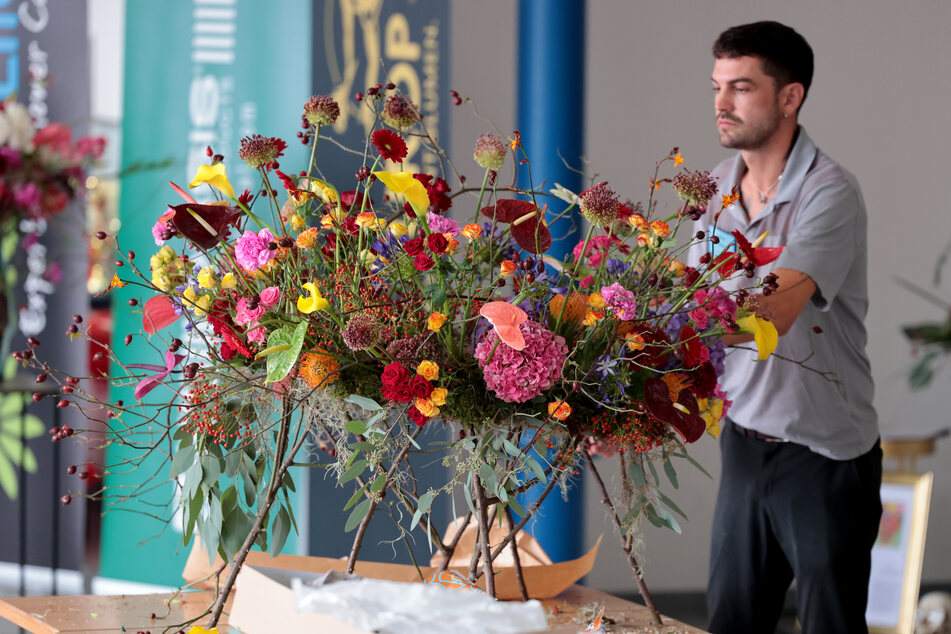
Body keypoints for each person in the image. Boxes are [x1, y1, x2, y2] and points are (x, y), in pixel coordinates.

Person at [693, 21, 883, 633]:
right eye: (718, 86)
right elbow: (682, 299)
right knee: (731, 622)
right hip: (744, 443)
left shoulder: (831, 193)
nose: (721, 104)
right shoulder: (717, 189)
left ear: (790, 96)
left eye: (741, 88)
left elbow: (769, 317)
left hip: (825, 457)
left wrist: (656, 335)